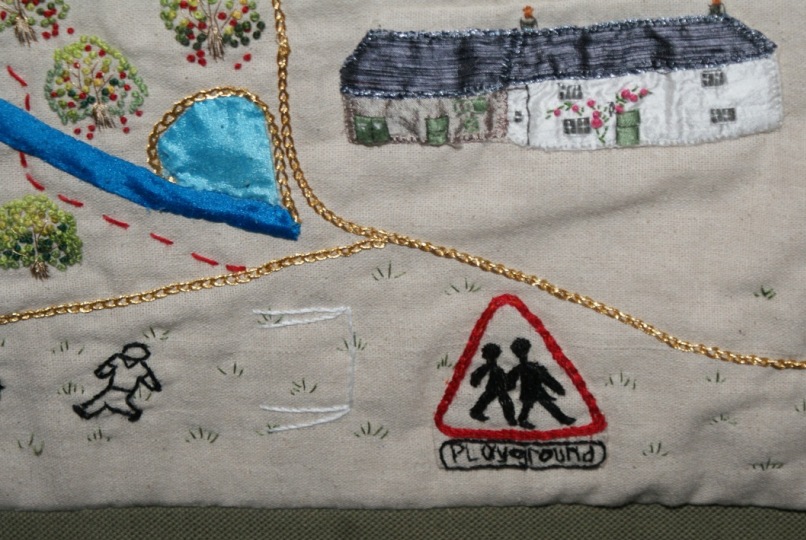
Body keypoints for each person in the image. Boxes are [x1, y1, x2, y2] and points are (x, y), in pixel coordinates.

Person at [73, 342, 162, 422]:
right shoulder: (131, 364)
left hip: (119, 391)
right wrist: (155, 386)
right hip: (118, 390)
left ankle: (86, 412)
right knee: (108, 401)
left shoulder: (127, 363)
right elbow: (152, 383)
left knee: (105, 400)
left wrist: (100, 372)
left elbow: (102, 372)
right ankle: (133, 413)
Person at [507, 337, 575, 429]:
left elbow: (546, 378)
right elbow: (546, 378)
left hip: (536, 391)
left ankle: (563, 419)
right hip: (530, 392)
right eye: (520, 352)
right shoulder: (527, 368)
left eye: (523, 351)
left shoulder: (531, 367)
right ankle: (523, 420)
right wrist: (558, 388)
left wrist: (557, 388)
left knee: (543, 405)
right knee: (529, 407)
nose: (522, 355)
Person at [469, 343, 517, 426]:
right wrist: (475, 380)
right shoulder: (492, 368)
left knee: (486, 399)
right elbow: (478, 374)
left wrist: (475, 380)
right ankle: (510, 419)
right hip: (497, 388)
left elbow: (478, 374)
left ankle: (475, 412)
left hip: (496, 388)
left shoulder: (493, 368)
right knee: (504, 402)